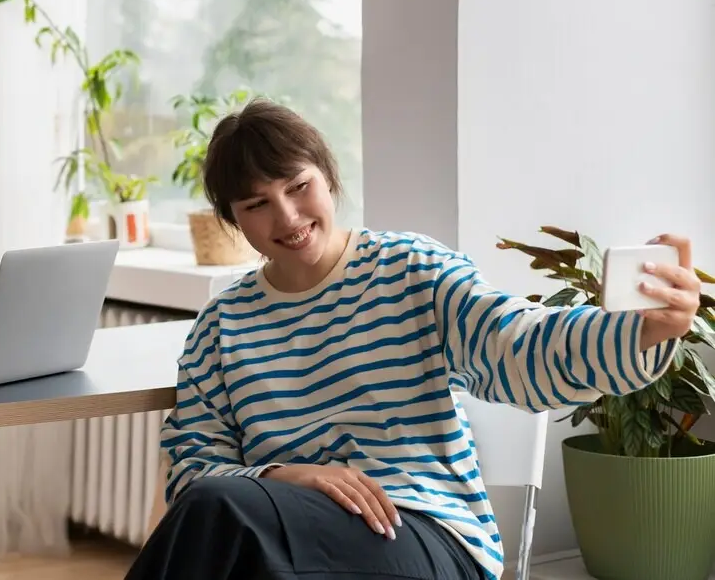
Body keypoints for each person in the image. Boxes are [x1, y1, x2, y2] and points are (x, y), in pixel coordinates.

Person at [129, 99, 702, 580]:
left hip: (425, 532)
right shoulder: (221, 326)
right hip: (281, 540)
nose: (287, 216)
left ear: (328, 177)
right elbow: (192, 468)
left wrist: (644, 330)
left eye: (298, 186)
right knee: (225, 523)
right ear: (234, 220)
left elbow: (519, 348)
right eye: (257, 204)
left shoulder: (412, 270)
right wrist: (285, 476)